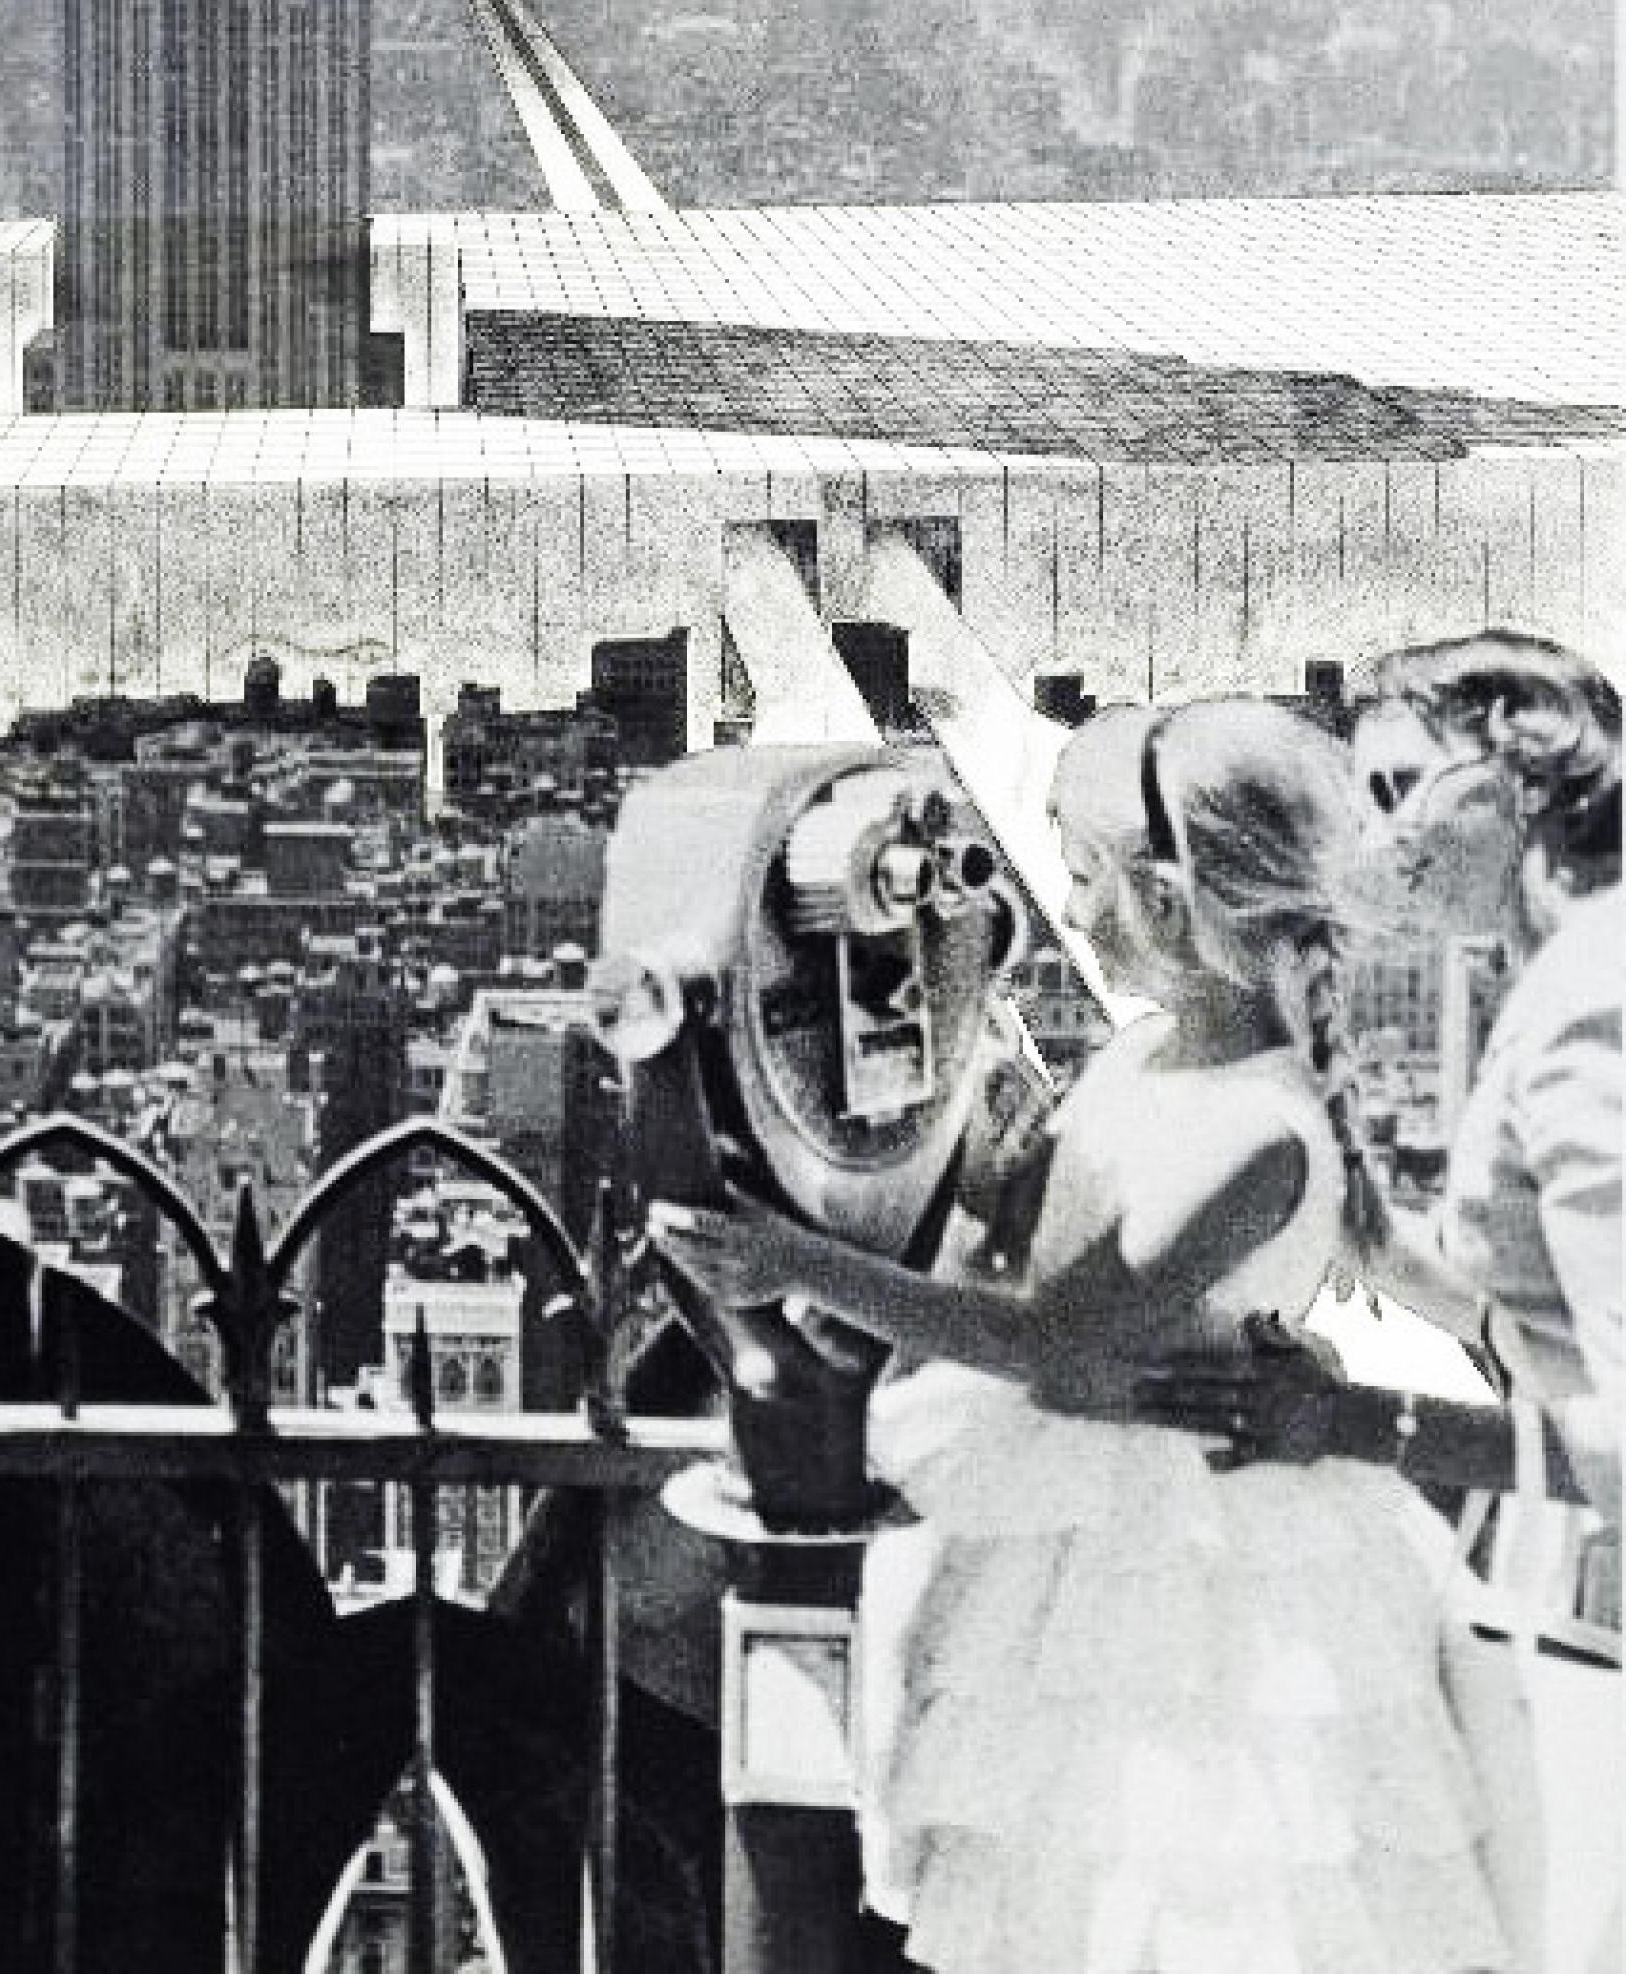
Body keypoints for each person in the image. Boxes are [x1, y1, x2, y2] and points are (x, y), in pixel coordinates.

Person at [653, 696, 1529, 1974]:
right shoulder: (1147, 1057)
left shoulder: (1257, 1132)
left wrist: (799, 1264)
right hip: (1082, 1551)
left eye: (1085, 876)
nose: (1069, 907)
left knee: (1166, 1904)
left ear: (1173, 905)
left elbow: (1059, 1343)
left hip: (1185, 1586)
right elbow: (1033, 1236)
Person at [1136, 634, 1620, 1974]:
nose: (1382, 843)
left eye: (1410, 792)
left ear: (1530, 786)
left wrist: (1352, 1423)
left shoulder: (1590, 1022)